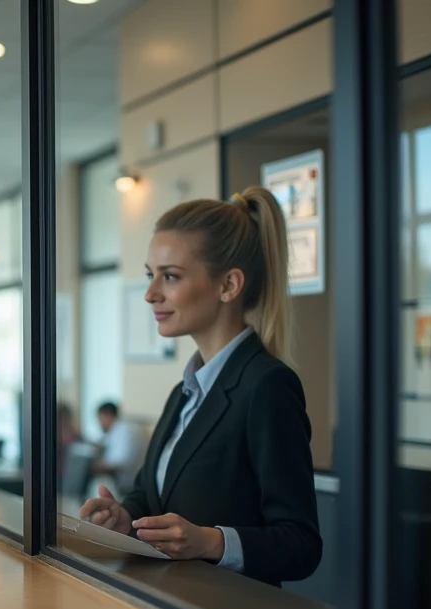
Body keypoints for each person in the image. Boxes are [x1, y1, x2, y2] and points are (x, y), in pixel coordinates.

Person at [80, 187, 321, 587]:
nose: (150, 293)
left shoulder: (268, 386)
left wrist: (211, 541)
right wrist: (126, 518)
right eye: (150, 274)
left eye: (170, 276)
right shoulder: (185, 391)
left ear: (228, 285)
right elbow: (150, 495)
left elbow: (302, 546)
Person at [90, 402, 145, 498]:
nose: (99, 423)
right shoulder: (116, 430)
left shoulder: (126, 430)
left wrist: (96, 467)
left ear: (107, 415)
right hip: (121, 480)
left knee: (96, 483)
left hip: (128, 485)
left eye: (100, 419)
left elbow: (121, 463)